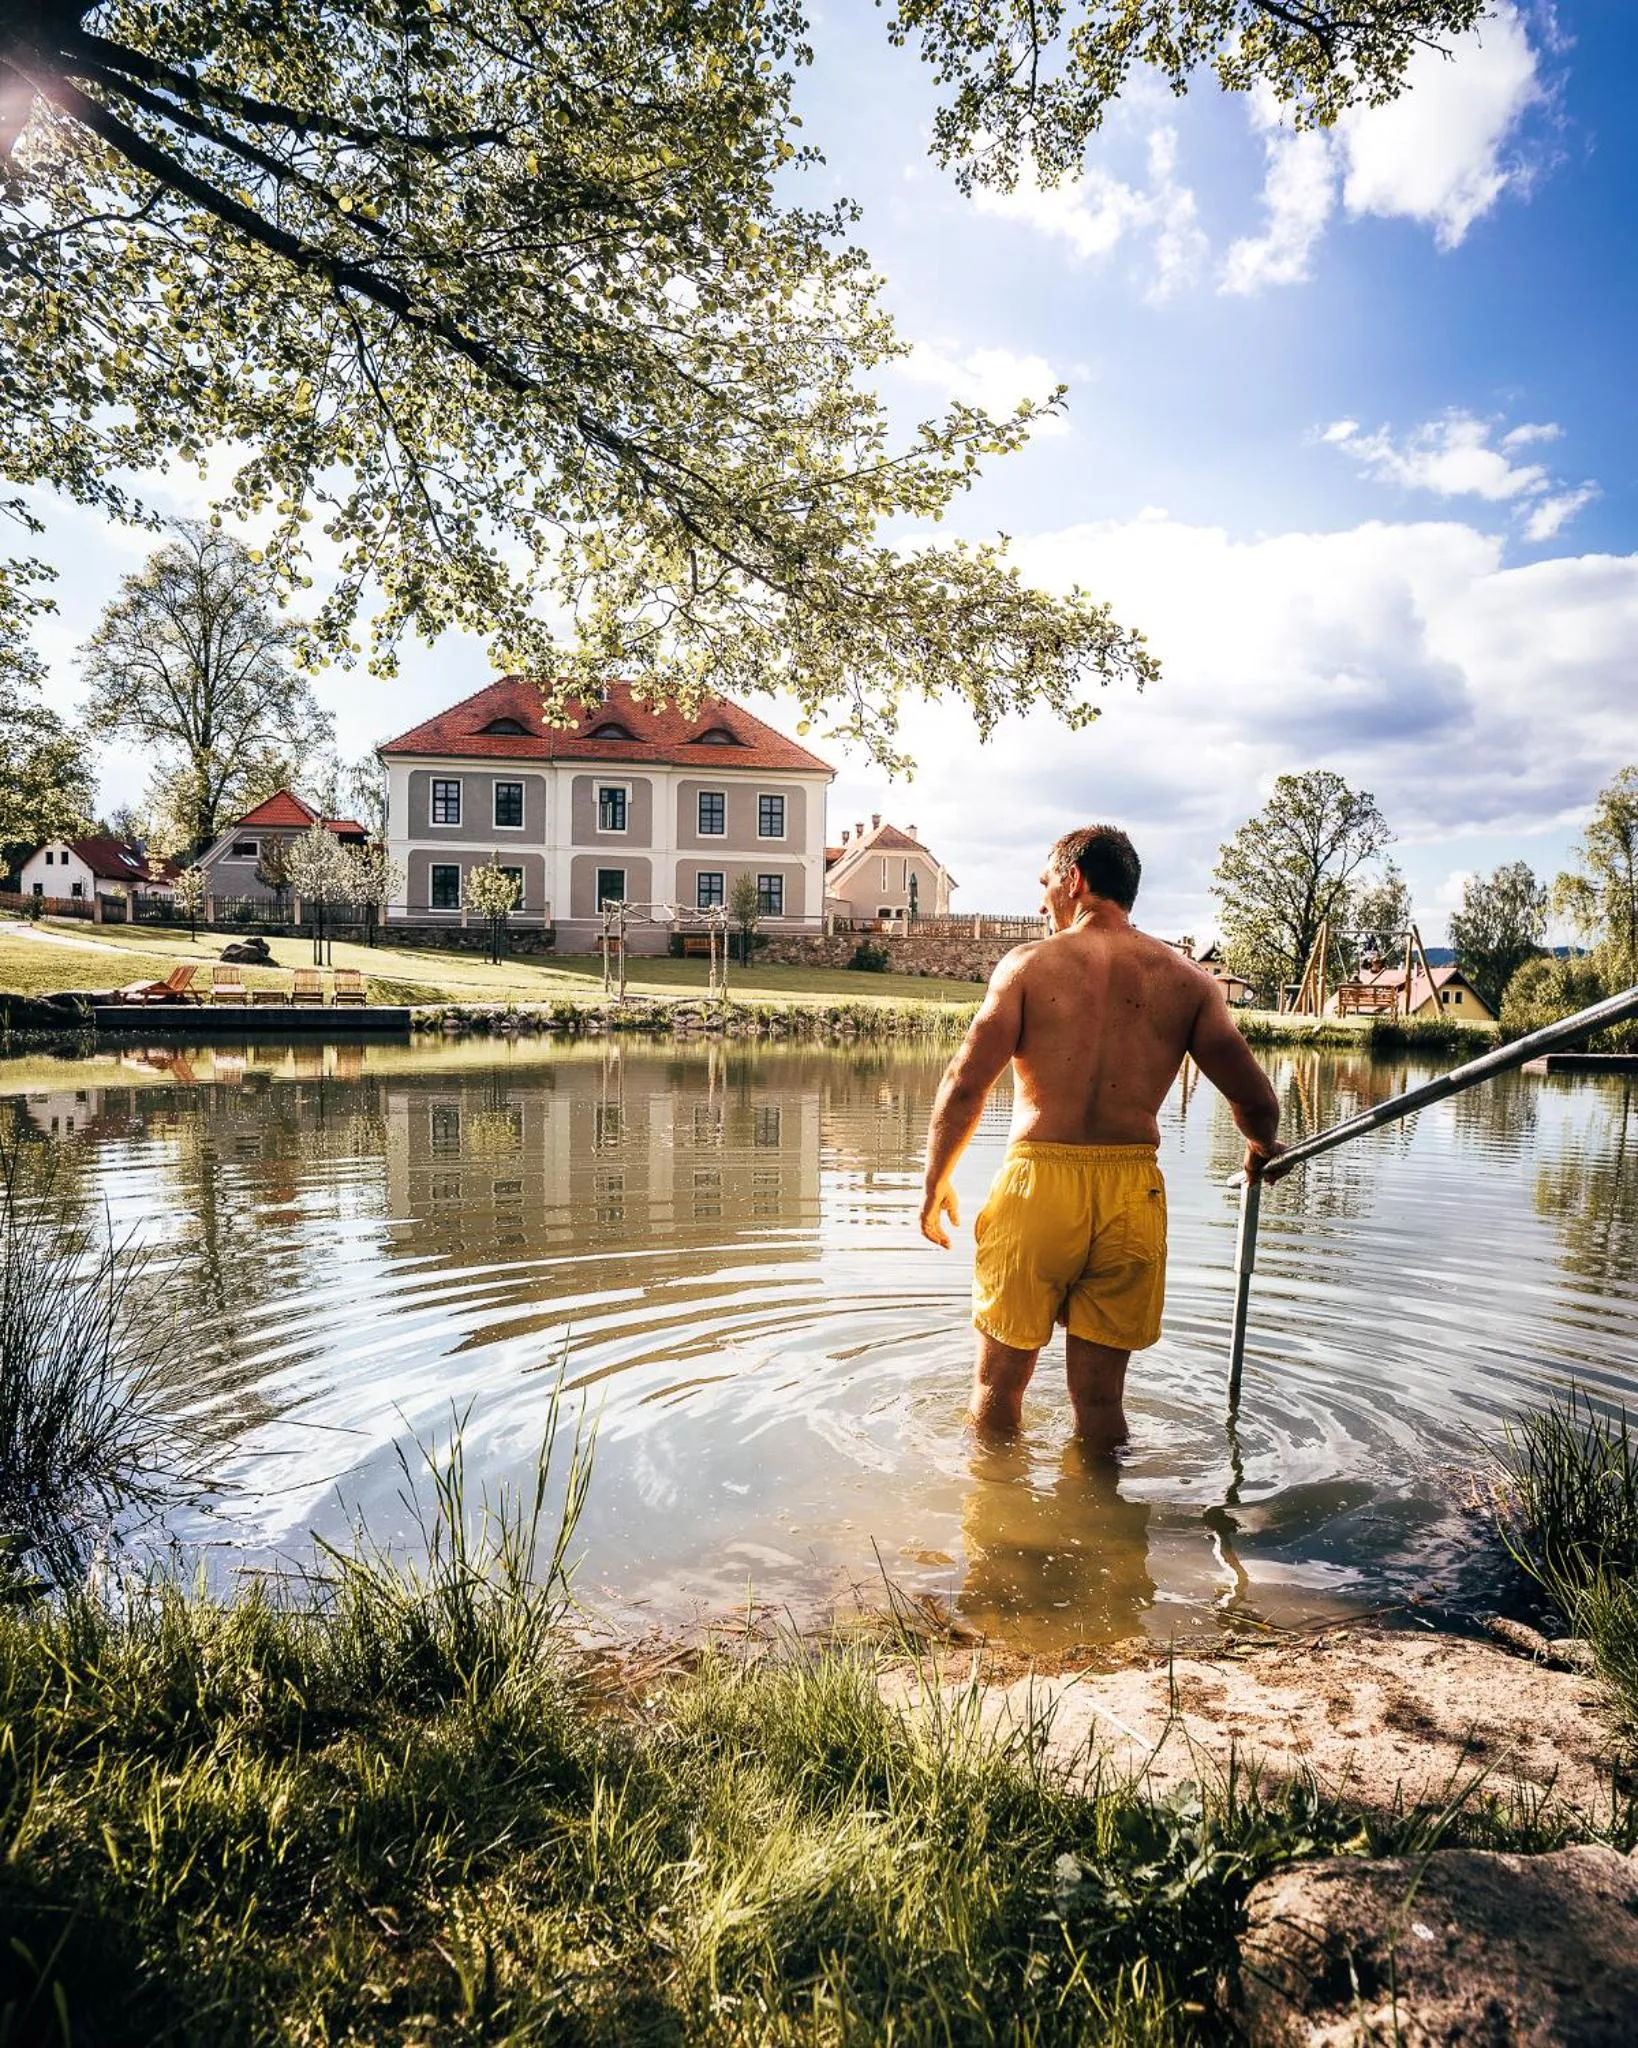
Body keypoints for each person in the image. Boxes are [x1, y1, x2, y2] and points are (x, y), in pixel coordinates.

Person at [919, 825, 1282, 1448]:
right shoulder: (1188, 981)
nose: (1041, 901)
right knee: (1100, 1402)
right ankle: (1105, 1505)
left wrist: (936, 1184)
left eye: (1045, 883)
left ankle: (997, 1507)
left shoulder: (1028, 967)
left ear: (1075, 880)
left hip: (1038, 1187)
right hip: (1130, 1196)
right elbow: (1257, 1102)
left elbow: (963, 1086)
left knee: (997, 1389)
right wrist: (1259, 1149)